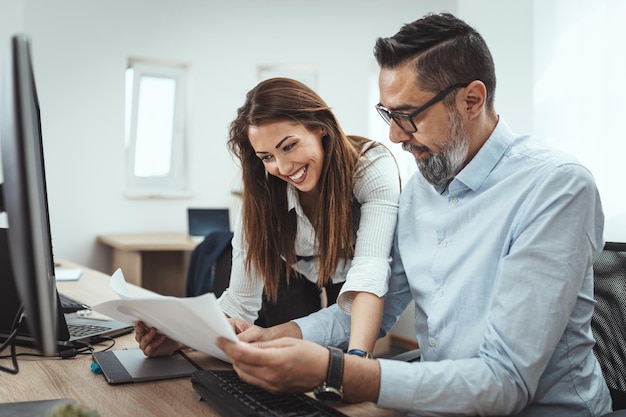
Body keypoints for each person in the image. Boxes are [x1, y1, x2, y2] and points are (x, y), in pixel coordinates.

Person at [214, 12, 613, 417]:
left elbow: (504, 383)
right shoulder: (421, 191)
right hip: (443, 403)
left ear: (471, 100)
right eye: (388, 115)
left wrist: (339, 371)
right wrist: (275, 338)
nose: (394, 136)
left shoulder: (555, 188)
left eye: (407, 115)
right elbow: (376, 308)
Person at [136, 77, 401, 359]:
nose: (284, 167)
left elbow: (369, 273)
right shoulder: (262, 189)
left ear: (321, 127)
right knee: (290, 355)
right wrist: (181, 337)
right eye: (267, 157)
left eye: (289, 146)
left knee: (342, 351)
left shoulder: (370, 167)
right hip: (291, 271)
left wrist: (357, 359)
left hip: (354, 270)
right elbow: (240, 301)